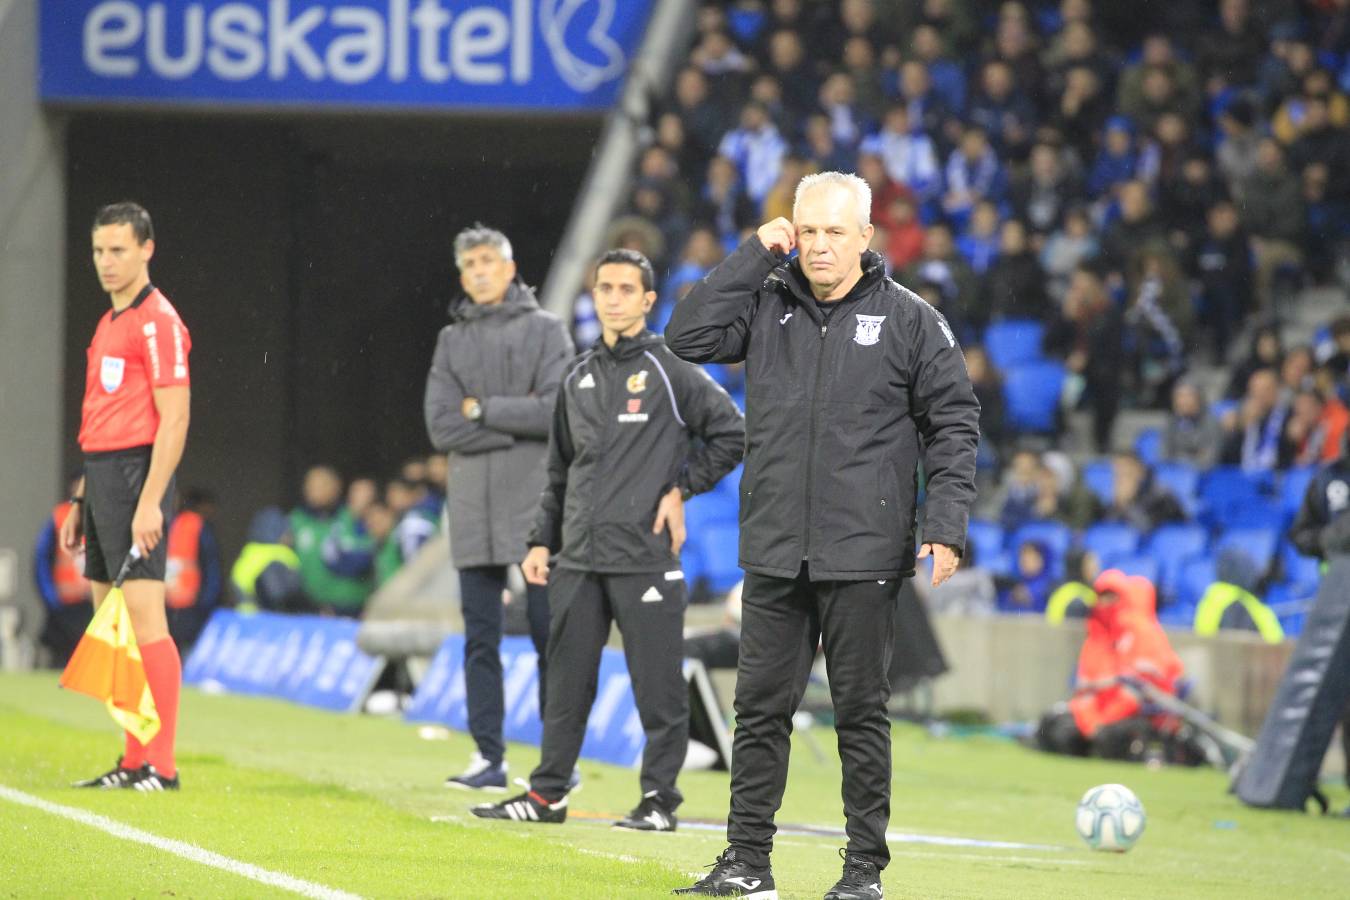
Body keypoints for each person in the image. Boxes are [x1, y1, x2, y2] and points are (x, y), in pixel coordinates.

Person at [665, 172, 979, 899]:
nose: (818, 246)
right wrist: (753, 254)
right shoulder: (765, 302)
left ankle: (863, 872)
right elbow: (686, 336)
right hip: (775, 544)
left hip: (864, 551)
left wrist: (945, 525)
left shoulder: (911, 320)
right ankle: (747, 864)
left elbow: (954, 425)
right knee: (759, 712)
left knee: (860, 715)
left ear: (866, 236)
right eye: (807, 231)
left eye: (835, 232)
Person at [470, 249, 744, 831]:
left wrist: (681, 489)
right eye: (605, 288)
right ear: (593, 296)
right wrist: (541, 541)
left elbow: (732, 433)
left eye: (626, 289)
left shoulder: (672, 370)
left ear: (648, 300)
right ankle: (547, 795)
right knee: (566, 686)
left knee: (659, 690)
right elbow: (559, 472)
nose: (614, 299)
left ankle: (659, 802)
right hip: (577, 558)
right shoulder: (577, 378)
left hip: (644, 556)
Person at [424, 225, 575, 791]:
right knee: (479, 640)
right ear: (462, 276)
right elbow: (440, 426)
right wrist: (515, 420)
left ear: (510, 269)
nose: (480, 271)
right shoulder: (450, 339)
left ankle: (558, 762)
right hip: (471, 509)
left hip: (535, 508)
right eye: (470, 264)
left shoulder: (547, 330)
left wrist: (480, 411)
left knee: (548, 634)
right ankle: (488, 757)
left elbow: (556, 411)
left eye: (488, 260)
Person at [63, 202, 191, 791]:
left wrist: (150, 501)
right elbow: (102, 415)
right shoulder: (108, 321)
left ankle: (162, 765)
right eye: (98, 251)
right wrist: (82, 497)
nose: (106, 262)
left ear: (147, 249)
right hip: (102, 477)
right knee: (111, 621)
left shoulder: (157, 321)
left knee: (144, 621)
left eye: (118, 250)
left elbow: (174, 418)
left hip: (138, 476)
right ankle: (133, 758)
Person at [289, 466, 371, 614]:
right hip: (309, 610)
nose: (313, 490)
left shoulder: (352, 517)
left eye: (321, 485)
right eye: (310, 485)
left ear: (336, 487)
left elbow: (368, 556)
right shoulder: (295, 521)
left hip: (351, 609)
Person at [35, 477, 94, 665]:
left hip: (94, 603)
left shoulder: (105, 515)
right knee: (61, 658)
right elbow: (41, 559)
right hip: (65, 604)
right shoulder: (59, 517)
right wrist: (52, 598)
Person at [163, 488, 222, 650]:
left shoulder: (175, 524)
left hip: (173, 604)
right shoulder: (199, 527)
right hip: (190, 606)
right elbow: (211, 567)